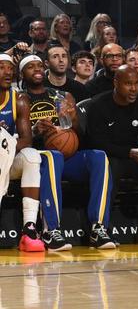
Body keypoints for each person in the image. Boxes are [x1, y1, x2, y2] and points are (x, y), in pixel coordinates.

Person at [20, 55, 114, 251]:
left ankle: (98, 228)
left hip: (67, 156)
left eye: (39, 65)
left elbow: (80, 134)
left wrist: (73, 119)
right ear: (22, 74)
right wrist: (35, 130)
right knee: (53, 156)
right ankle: (51, 230)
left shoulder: (62, 96)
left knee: (99, 156)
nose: (36, 69)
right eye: (30, 67)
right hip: (38, 157)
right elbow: (19, 137)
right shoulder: (20, 99)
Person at [86, 65, 138, 245]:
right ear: (116, 83)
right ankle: (103, 227)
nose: (133, 88)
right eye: (128, 84)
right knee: (110, 165)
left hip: (135, 158)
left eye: (136, 83)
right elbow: (96, 143)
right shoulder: (98, 105)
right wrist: (129, 152)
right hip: (111, 157)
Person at [0, 54, 44, 252]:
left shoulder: (19, 99)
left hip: (8, 160)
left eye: (10, 68)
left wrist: (4, 144)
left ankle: (29, 229)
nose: (7, 72)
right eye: (1, 67)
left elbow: (26, 140)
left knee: (32, 156)